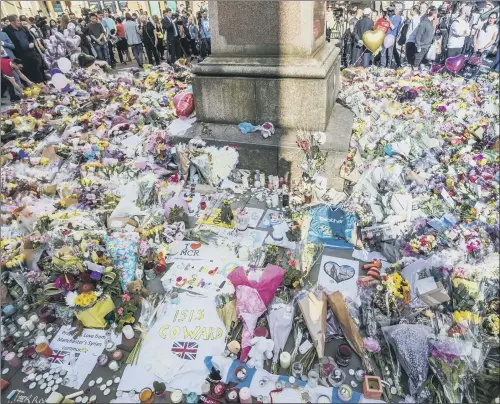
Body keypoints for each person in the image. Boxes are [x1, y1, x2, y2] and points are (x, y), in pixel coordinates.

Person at [3, 15, 45, 83]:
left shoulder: (24, 28)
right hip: (20, 54)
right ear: (12, 22)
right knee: (26, 71)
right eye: (18, 21)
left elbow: (31, 38)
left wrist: (31, 43)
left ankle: (41, 83)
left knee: (36, 68)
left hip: (31, 52)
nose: (20, 22)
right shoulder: (6, 30)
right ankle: (32, 85)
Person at [380, 4, 403, 68]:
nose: (393, 11)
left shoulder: (398, 17)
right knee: (383, 52)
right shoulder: (391, 16)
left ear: (398, 10)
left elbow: (393, 27)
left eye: (395, 9)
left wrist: (388, 20)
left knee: (390, 52)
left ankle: (388, 66)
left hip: (391, 37)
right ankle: (382, 65)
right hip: (385, 35)